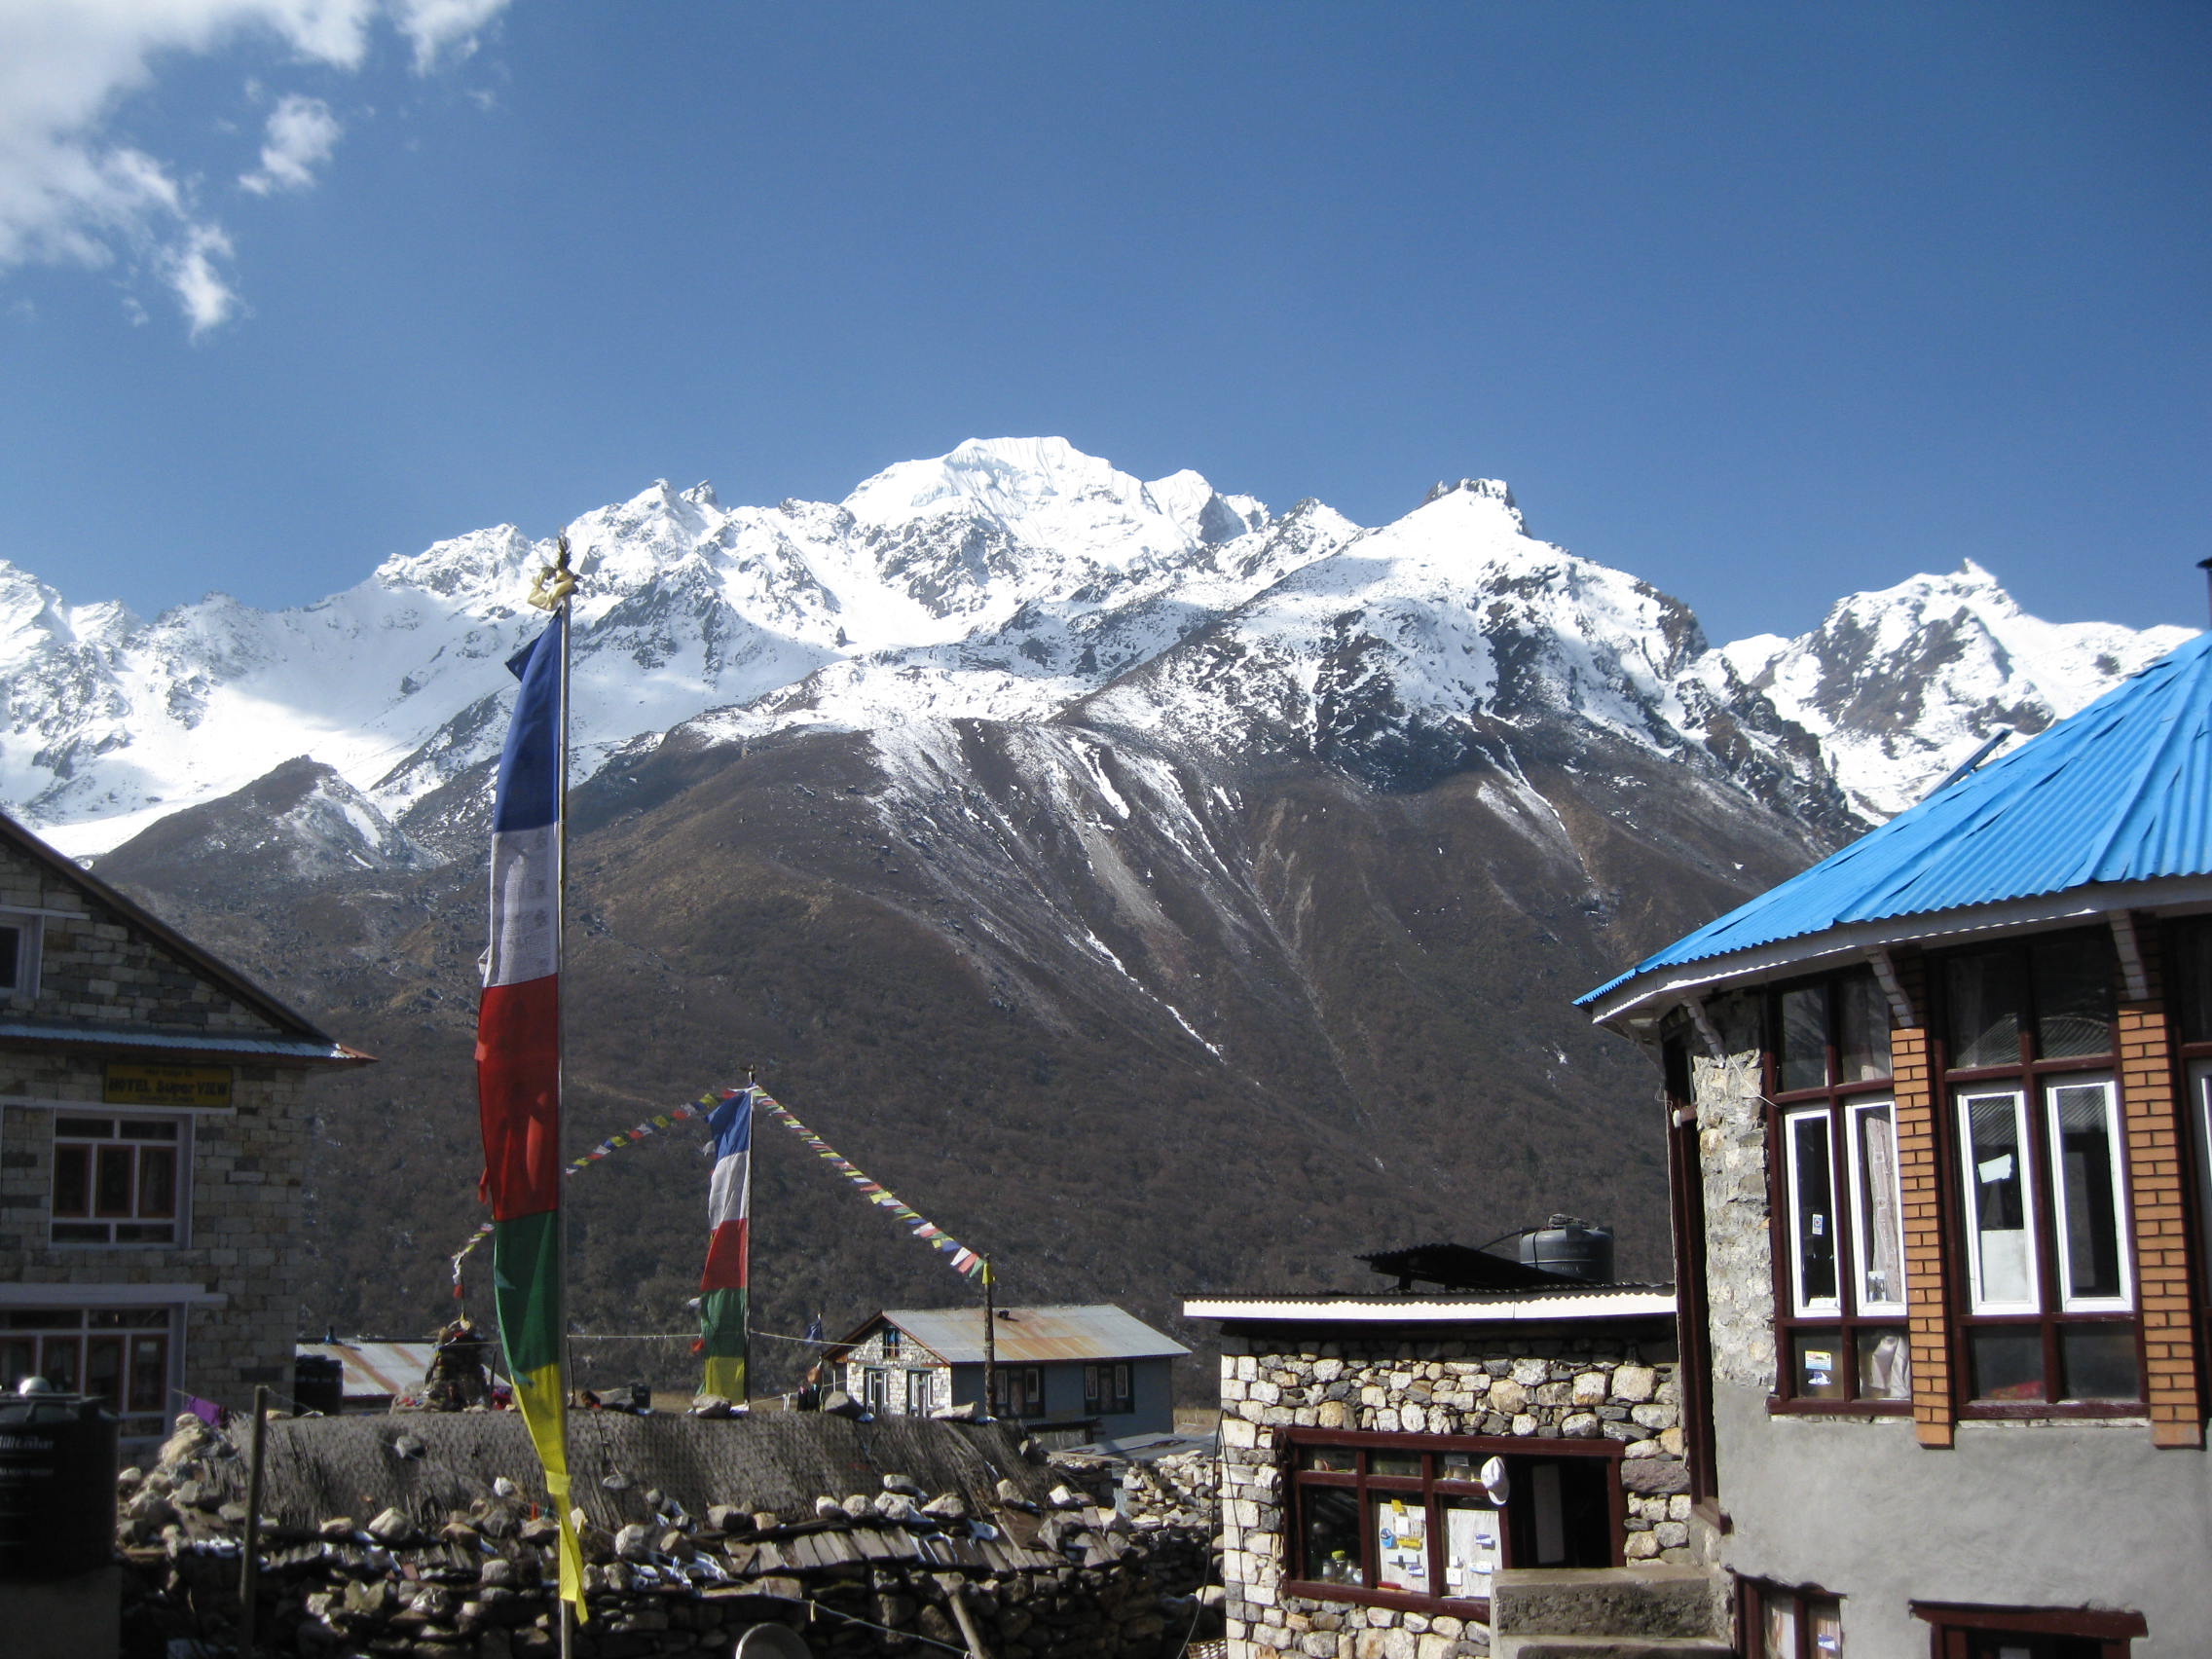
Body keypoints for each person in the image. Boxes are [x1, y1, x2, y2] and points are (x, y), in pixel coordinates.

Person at [423, 1316, 492, 1410]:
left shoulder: (464, 1349)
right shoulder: (443, 1352)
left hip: (462, 1376)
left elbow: (431, 1369)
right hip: (447, 1378)